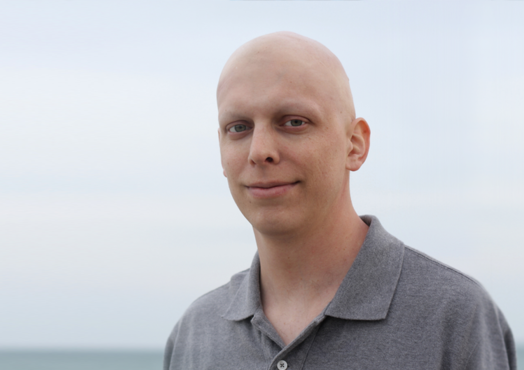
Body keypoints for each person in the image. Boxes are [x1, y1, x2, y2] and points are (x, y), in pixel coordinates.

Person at [163, 32, 516, 370]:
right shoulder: (195, 333)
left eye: (293, 122)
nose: (260, 152)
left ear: (355, 144)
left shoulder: (455, 319)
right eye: (238, 127)